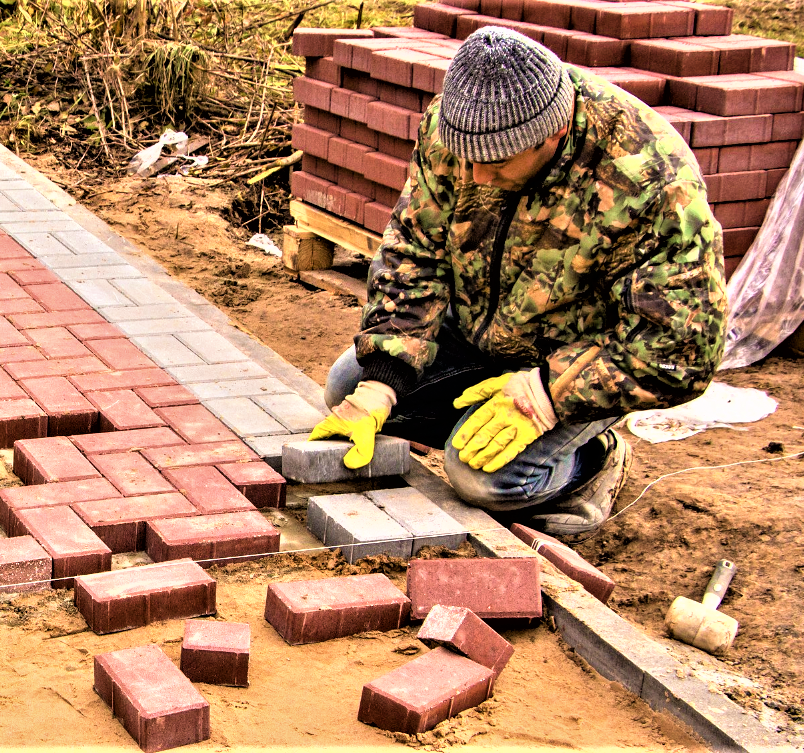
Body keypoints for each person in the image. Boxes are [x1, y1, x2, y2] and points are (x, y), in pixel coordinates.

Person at [311, 26, 728, 539]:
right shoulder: (461, 128)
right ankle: (477, 421)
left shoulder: (648, 179)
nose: (472, 178)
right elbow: (415, 251)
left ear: (552, 135)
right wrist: (384, 379)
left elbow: (683, 350)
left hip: (575, 361)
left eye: (496, 164)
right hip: (479, 335)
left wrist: (549, 393)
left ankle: (593, 462)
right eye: (461, 159)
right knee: (349, 388)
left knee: (485, 481)